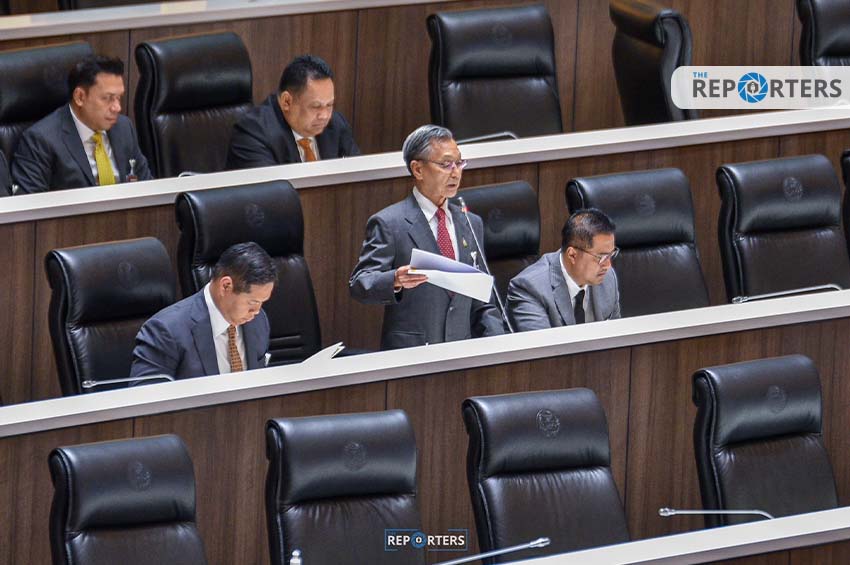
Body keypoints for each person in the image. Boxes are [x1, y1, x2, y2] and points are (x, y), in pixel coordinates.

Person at [349, 124, 504, 349]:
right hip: (412, 353)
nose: (455, 172)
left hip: (461, 351)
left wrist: (499, 344)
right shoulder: (390, 223)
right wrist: (394, 279)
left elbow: (482, 300)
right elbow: (360, 283)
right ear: (418, 169)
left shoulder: (471, 223)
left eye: (459, 163)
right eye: (446, 164)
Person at [130, 242, 277, 380]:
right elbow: (146, 394)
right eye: (253, 302)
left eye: (262, 302)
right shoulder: (166, 331)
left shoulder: (258, 322)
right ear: (226, 286)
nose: (257, 311)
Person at [12, 55, 152, 194]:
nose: (117, 108)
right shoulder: (41, 141)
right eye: (108, 98)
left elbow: (146, 186)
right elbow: (31, 203)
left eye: (119, 98)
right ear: (80, 97)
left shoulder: (123, 127)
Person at [226, 54, 359, 169]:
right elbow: (272, 189)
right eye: (315, 106)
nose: (325, 116)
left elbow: (357, 177)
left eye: (329, 105)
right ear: (287, 102)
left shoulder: (336, 125)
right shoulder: (253, 134)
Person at [507, 209, 621, 331]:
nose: (608, 265)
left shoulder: (608, 278)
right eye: (601, 257)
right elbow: (542, 342)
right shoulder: (530, 288)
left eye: (610, 255)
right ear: (572, 255)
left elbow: (616, 335)